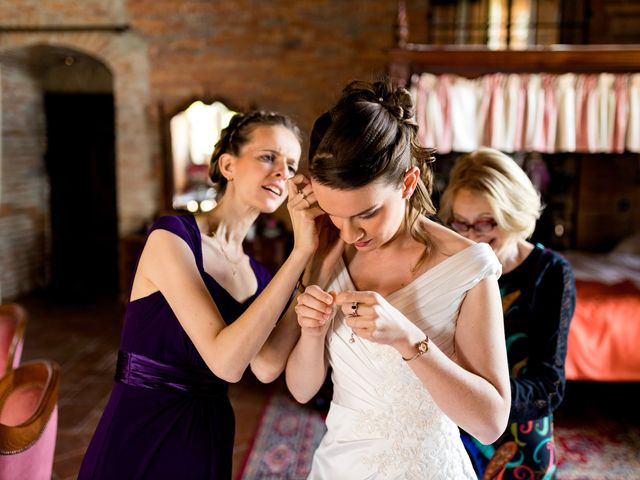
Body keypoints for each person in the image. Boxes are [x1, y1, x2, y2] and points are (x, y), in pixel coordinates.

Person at [285, 79, 511, 479]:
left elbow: (490, 423)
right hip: (338, 466)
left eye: (366, 213)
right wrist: (312, 332)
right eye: (335, 214)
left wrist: (408, 339)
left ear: (408, 183)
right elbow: (302, 390)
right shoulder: (329, 251)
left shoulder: (469, 267)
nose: (350, 233)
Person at [79, 110, 323, 479]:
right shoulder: (171, 238)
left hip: (206, 433)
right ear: (228, 164)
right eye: (268, 157)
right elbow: (225, 363)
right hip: (141, 426)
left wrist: (315, 260)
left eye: (291, 165)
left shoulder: (259, 277)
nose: (281, 172)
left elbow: (268, 365)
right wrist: (300, 253)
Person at [439, 148, 576, 479]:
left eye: (486, 223)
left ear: (512, 213)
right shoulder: (450, 264)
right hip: (453, 425)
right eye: (461, 223)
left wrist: (486, 404)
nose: (472, 237)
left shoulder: (550, 272)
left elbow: (549, 385)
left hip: (521, 436)